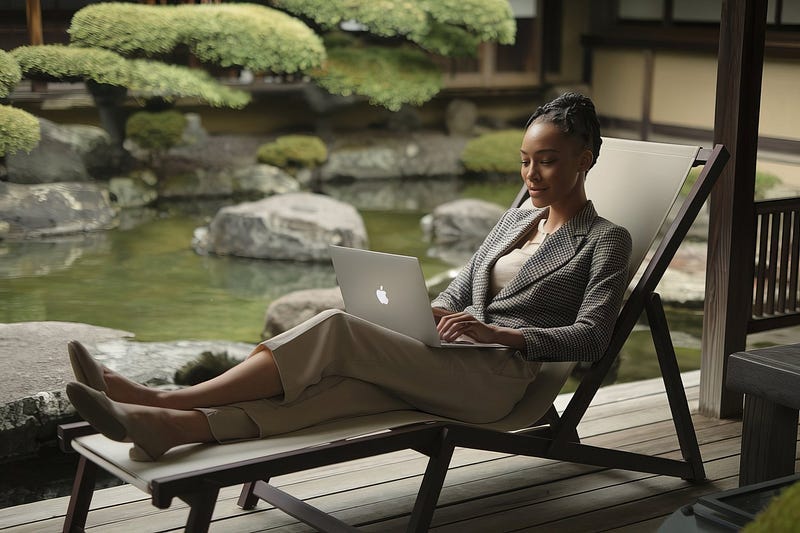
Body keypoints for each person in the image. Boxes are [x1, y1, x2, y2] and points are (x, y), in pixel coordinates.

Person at [65, 92, 633, 461]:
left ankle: (166, 397)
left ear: (584, 159)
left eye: (549, 160)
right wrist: (429, 312)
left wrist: (500, 335)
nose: (532, 173)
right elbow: (462, 291)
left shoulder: (605, 240)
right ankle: (172, 430)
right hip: (446, 360)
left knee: (336, 328)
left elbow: (592, 336)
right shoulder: (514, 218)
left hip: (498, 380)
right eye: (525, 160)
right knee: (335, 391)